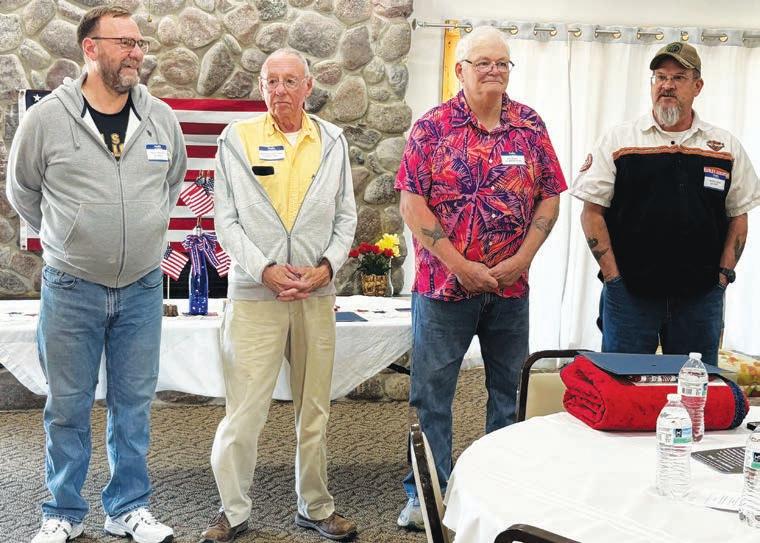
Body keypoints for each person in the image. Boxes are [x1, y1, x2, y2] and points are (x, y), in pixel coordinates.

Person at [6, 6, 187, 543]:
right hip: (71, 287)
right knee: (68, 408)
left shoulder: (161, 118)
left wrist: (142, 233)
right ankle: (62, 512)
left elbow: (171, 184)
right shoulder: (47, 119)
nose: (136, 52)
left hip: (142, 288)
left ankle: (128, 508)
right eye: (124, 42)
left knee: (133, 407)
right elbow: (23, 191)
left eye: (139, 43)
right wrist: (69, 236)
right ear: (90, 48)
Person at [394, 25, 567, 529]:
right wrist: (460, 265)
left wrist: (523, 259)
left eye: (502, 63)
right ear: (460, 69)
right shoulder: (432, 128)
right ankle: (427, 494)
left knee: (509, 393)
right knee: (432, 396)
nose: (494, 71)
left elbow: (550, 196)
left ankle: (501, 489)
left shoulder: (529, 125)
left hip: (511, 288)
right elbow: (412, 203)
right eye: (483, 62)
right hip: (443, 290)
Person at [199, 47, 358, 543]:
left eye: (291, 81)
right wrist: (264, 270)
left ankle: (316, 506)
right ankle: (232, 511)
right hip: (254, 294)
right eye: (272, 81)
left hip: (315, 293)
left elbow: (346, 217)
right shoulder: (237, 139)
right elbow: (225, 220)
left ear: (308, 87)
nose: (281, 90)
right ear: (261, 87)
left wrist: (326, 268)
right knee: (244, 412)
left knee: (314, 410)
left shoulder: (333, 141)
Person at [571, 42, 760, 367]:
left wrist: (722, 279)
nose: (667, 85)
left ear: (697, 86)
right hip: (630, 296)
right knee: (624, 385)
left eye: (678, 77)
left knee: (693, 384)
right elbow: (592, 213)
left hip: (700, 298)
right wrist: (613, 278)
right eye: (660, 77)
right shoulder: (619, 141)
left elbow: (738, 217)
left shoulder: (724, 147)